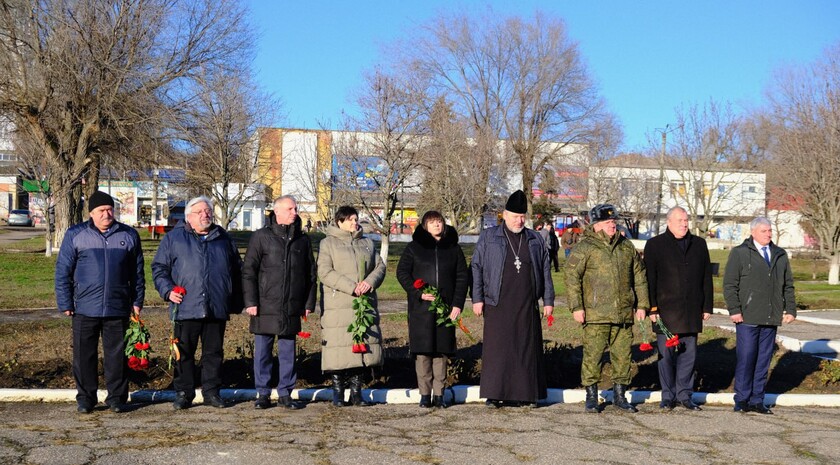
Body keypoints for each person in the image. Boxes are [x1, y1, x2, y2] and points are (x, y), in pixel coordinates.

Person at [55, 191, 145, 413]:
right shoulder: (76, 235)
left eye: (110, 209)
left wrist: (137, 300)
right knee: (84, 356)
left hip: (118, 306)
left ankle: (116, 398)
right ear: (91, 213)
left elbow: (138, 272)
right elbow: (63, 271)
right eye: (102, 211)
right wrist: (66, 302)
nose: (107, 214)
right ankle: (86, 398)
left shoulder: (129, 235)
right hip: (85, 307)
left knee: (116, 356)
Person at [152, 196, 243, 410]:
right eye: (200, 211)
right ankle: (184, 392)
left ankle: (212, 392)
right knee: (184, 353)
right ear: (189, 217)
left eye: (208, 210)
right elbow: (159, 269)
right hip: (185, 306)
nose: (206, 214)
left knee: (214, 352)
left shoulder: (223, 238)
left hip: (215, 306)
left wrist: (236, 300)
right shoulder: (174, 239)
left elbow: (237, 270)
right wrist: (168, 291)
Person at [471, 190, 554, 408]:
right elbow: (477, 267)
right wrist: (477, 298)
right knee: (498, 350)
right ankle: (494, 393)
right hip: (497, 302)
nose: (519, 220)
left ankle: (526, 394)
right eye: (515, 216)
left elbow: (545, 270)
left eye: (522, 216)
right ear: (505, 215)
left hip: (526, 303)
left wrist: (548, 300)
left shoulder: (534, 239)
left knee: (525, 349)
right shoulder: (489, 237)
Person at [565, 204, 649, 413]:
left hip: (622, 313)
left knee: (623, 356)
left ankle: (620, 396)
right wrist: (577, 306)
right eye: (609, 222)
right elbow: (571, 277)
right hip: (595, 314)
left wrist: (642, 304)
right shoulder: (585, 248)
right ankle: (592, 397)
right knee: (592, 356)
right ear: (597, 225)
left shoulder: (625, 247)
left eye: (614, 221)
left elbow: (639, 276)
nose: (613, 225)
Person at [242, 195, 316, 410]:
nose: (295, 212)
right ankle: (263, 393)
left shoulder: (302, 239)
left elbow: (311, 274)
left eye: (295, 208)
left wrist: (308, 303)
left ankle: (286, 393)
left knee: (287, 352)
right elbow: (248, 272)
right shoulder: (261, 237)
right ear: (277, 211)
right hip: (265, 304)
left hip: (291, 304)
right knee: (263, 351)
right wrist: (251, 301)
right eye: (291, 208)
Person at [723, 216, 796, 414]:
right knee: (747, 358)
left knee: (763, 360)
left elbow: (787, 285)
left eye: (770, 230)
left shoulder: (779, 254)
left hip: (770, 317)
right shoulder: (740, 253)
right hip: (747, 317)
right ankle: (742, 399)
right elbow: (730, 284)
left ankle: (757, 399)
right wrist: (735, 310)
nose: (769, 234)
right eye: (764, 231)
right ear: (753, 232)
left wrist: (790, 309)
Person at [396, 211, 469, 408]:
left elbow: (462, 278)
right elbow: (402, 272)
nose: (437, 225)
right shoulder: (414, 248)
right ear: (425, 226)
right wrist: (417, 292)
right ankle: (425, 395)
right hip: (421, 309)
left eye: (439, 222)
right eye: (432, 222)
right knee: (424, 353)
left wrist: (457, 304)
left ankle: (439, 395)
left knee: (441, 352)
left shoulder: (453, 249)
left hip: (445, 309)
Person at [643, 206, 712, 411]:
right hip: (665, 311)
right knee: (666, 356)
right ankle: (668, 396)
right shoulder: (655, 245)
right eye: (680, 220)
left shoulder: (699, 244)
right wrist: (652, 309)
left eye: (686, 220)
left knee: (688, 356)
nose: (684, 224)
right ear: (669, 222)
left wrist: (706, 305)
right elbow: (650, 279)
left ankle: (684, 395)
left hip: (691, 310)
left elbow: (706, 278)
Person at [318, 206, 387, 407]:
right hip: (339, 304)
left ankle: (357, 392)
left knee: (361, 345)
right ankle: (338, 393)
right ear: (339, 222)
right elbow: (324, 271)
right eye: (349, 219)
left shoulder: (366, 243)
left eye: (355, 219)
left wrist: (369, 282)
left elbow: (380, 266)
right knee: (339, 348)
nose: (354, 222)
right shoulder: (328, 243)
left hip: (363, 304)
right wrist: (351, 287)